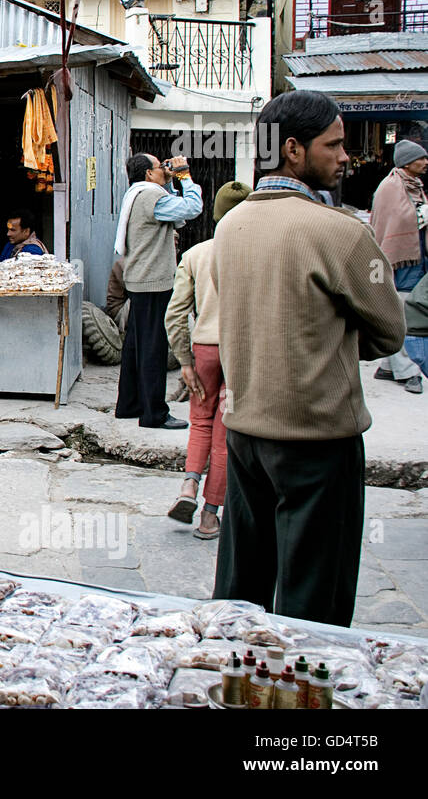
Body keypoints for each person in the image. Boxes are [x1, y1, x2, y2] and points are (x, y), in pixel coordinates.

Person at [212, 90, 404, 627]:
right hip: (318, 441)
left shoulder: (229, 227)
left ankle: (234, 685)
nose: (345, 157)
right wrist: (334, 339)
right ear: (293, 150)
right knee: (313, 605)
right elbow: (389, 332)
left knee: (240, 595)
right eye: (335, 144)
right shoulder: (341, 233)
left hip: (246, 436)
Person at [163, 180, 250, 540]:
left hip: (205, 350)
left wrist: (184, 359)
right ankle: (211, 516)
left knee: (199, 422)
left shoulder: (197, 254)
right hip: (243, 351)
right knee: (224, 433)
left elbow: (176, 312)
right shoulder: (255, 253)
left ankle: (188, 485)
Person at [113, 153, 203, 429]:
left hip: (139, 279)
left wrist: (171, 179)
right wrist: (184, 176)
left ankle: (129, 405)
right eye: (159, 167)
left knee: (136, 345)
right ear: (148, 174)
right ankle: (154, 414)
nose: (164, 169)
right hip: (153, 282)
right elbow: (191, 208)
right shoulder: (151, 197)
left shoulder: (138, 194)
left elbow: (174, 209)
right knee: (153, 348)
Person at [369, 139, 428, 393]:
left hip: (415, 255)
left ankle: (388, 366)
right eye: (421, 158)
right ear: (407, 162)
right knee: (404, 311)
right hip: (399, 258)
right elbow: (392, 221)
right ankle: (407, 370)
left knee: (406, 307)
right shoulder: (391, 187)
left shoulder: (415, 187)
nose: (425, 162)